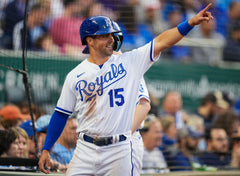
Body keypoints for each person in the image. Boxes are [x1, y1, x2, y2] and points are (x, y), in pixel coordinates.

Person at [38, 4, 214, 175]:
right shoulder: (75, 75)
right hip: (85, 148)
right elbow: (61, 114)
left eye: (112, 35)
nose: (111, 39)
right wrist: (46, 148)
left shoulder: (130, 62)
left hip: (119, 149)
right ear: (89, 41)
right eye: (104, 35)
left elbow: (161, 41)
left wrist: (190, 23)